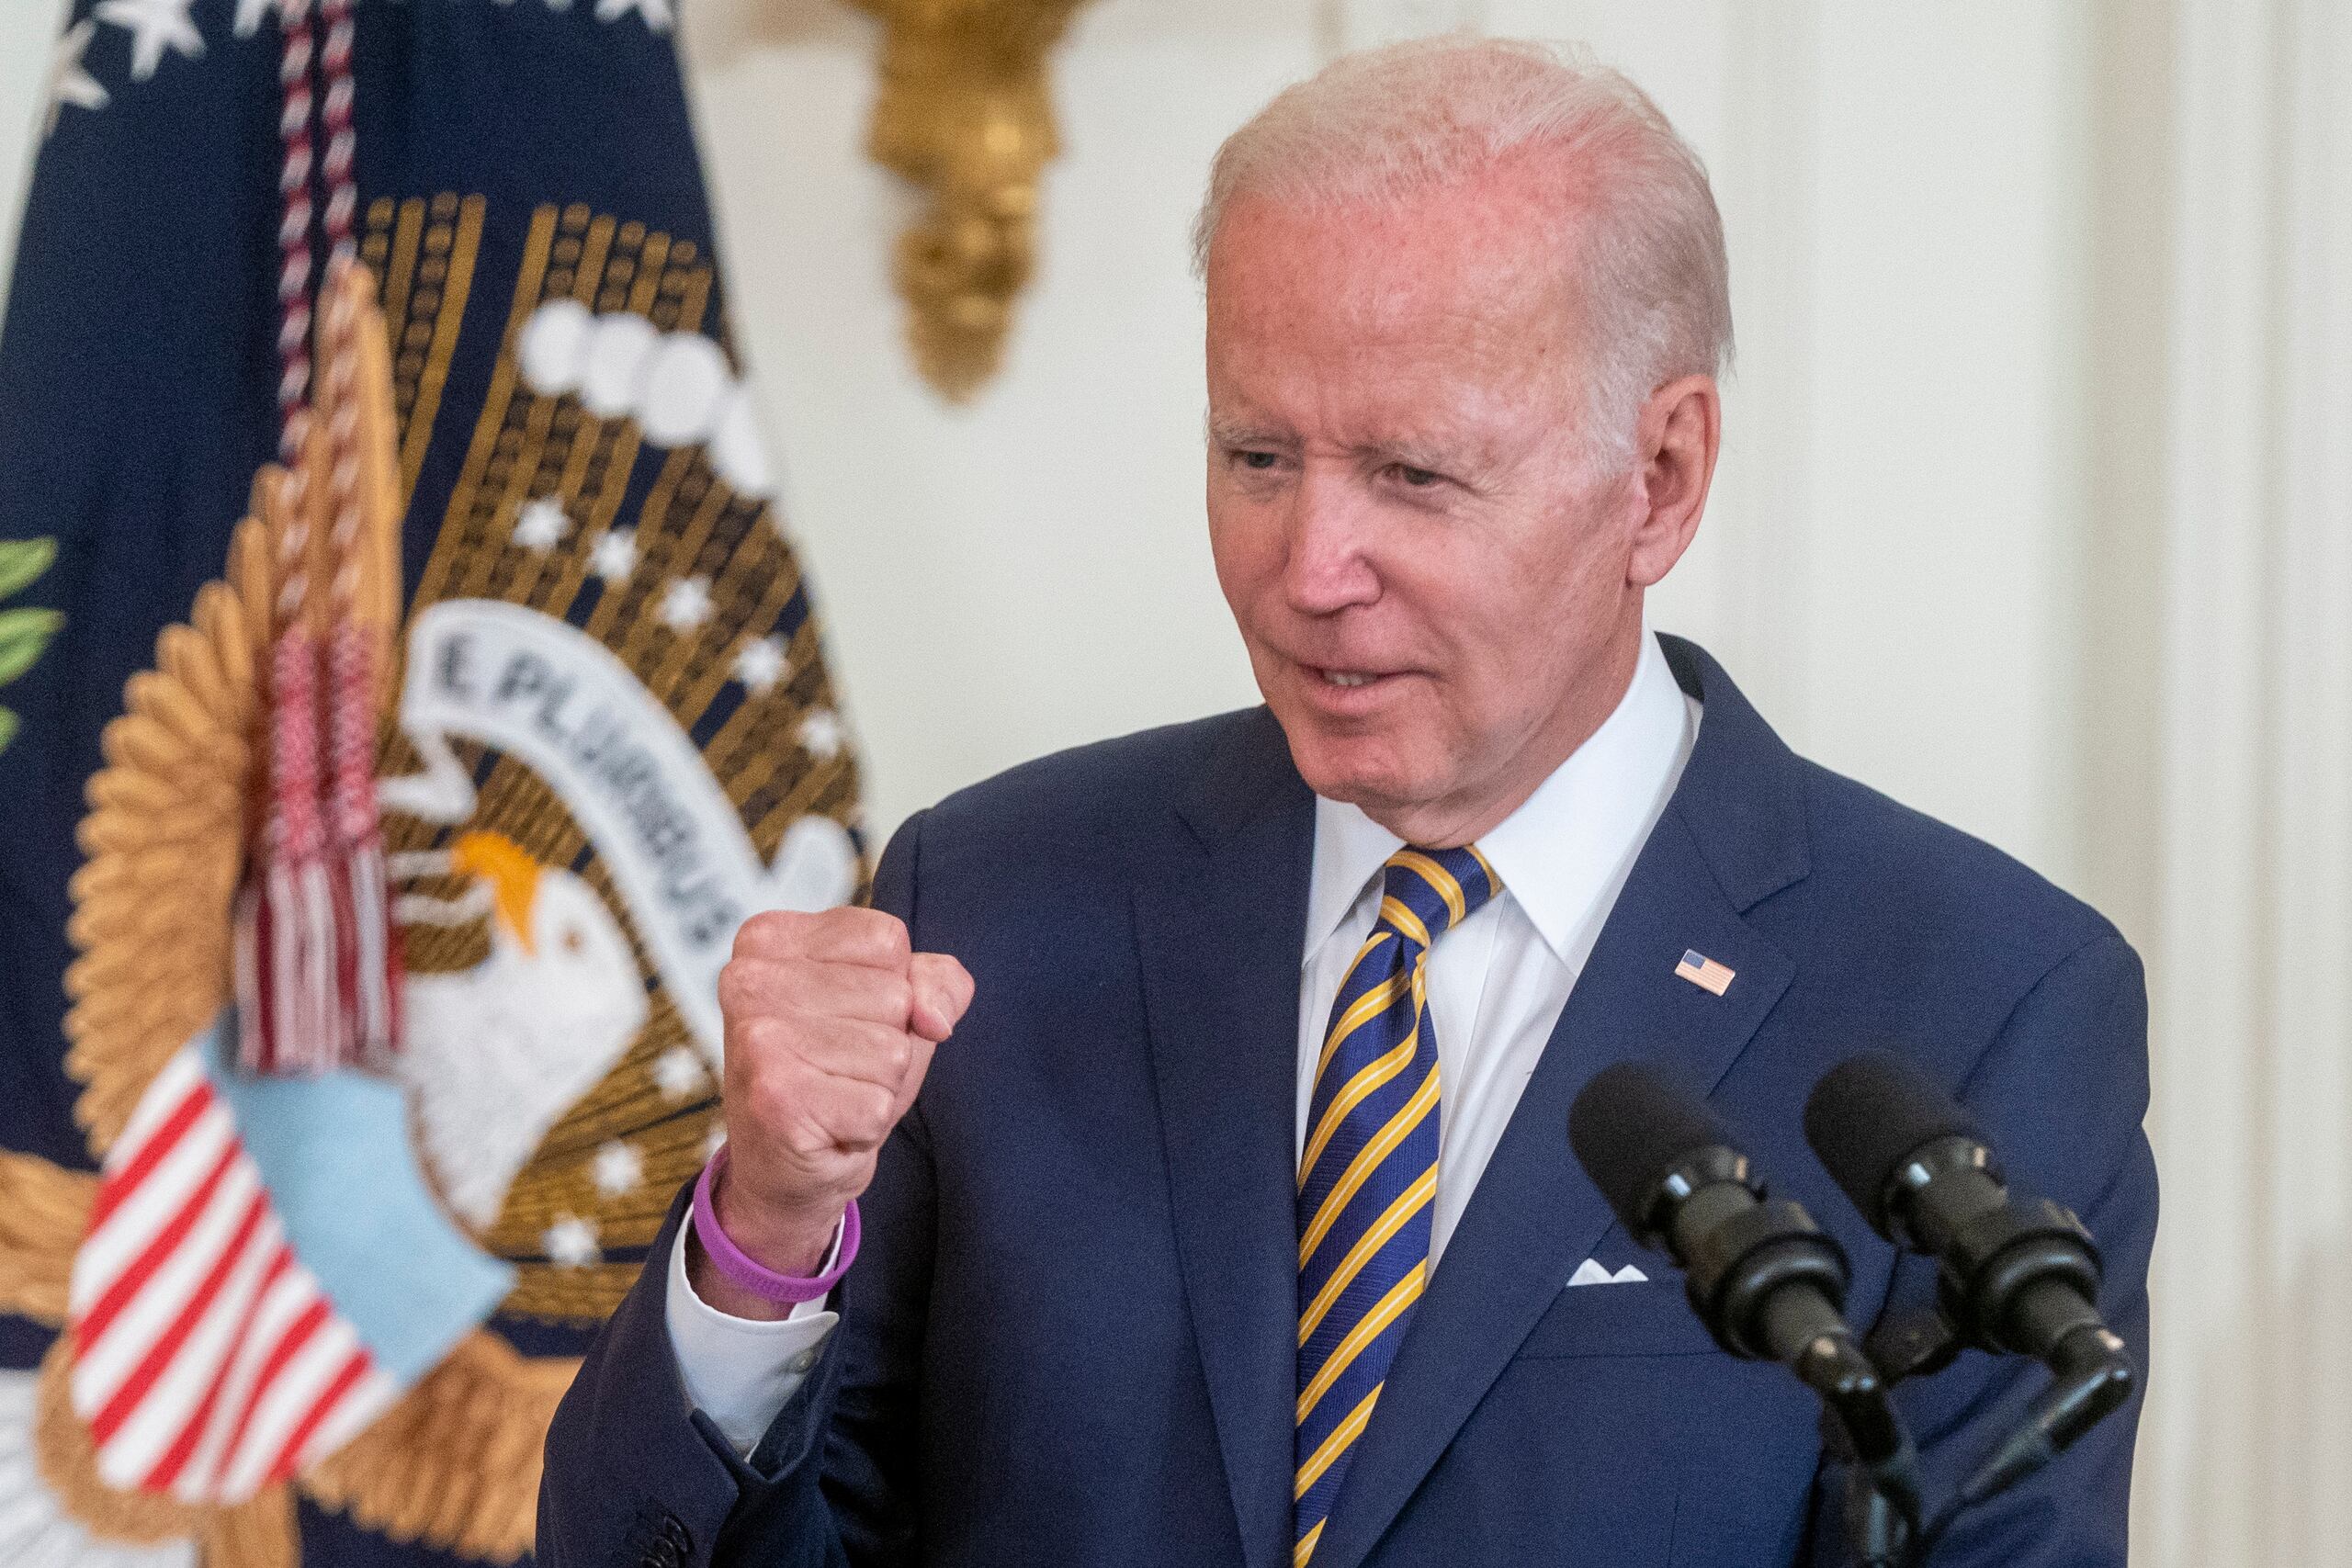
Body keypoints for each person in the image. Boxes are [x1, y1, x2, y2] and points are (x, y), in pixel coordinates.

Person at [538, 37, 2154, 1568]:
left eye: (1413, 475)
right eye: (1257, 457)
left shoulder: (1979, 1004)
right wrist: (760, 1235)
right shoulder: (993, 903)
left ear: (1658, 479)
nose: (1307, 572)